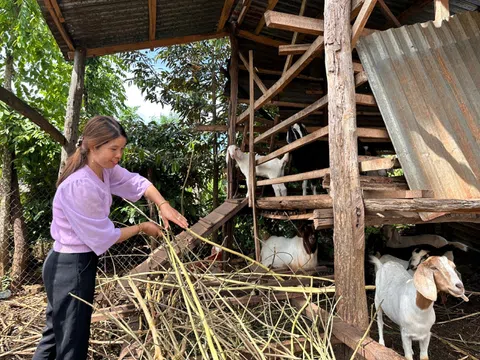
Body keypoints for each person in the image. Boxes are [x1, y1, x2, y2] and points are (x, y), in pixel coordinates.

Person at [33, 115, 188, 360]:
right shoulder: (80, 185)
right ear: (93, 147)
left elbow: (135, 182)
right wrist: (142, 228)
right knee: (71, 342)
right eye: (113, 149)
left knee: (56, 335)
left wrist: (162, 204)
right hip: (69, 267)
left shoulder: (104, 171)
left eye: (122, 149)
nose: (119, 155)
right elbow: (103, 237)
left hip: (71, 263)